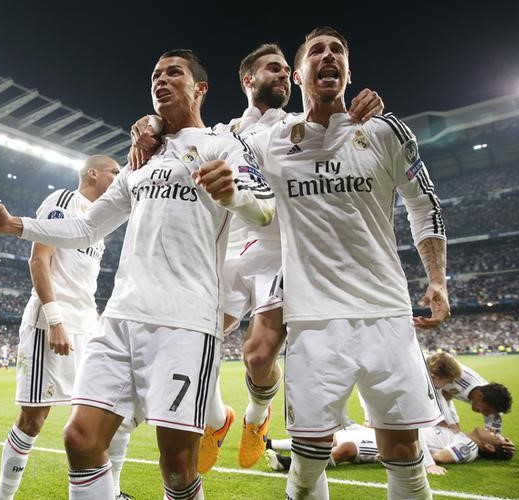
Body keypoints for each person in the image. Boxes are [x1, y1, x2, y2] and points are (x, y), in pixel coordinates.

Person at [0, 49, 275, 499]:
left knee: (177, 465)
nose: (160, 80)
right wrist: (15, 225)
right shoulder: (141, 161)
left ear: (200, 88)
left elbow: (266, 211)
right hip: (119, 320)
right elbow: (85, 225)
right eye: (155, 75)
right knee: (79, 439)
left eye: (173, 73)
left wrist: (235, 196)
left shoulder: (223, 145)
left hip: (185, 324)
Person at [128, 43, 383, 472]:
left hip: (279, 252)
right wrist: (150, 123)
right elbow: (183, 132)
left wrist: (364, 109)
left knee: (259, 356)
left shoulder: (299, 124)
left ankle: (255, 417)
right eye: (273, 69)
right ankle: (215, 419)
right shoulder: (227, 132)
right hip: (228, 250)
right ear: (248, 81)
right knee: (191, 339)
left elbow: (338, 129)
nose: (283, 75)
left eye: (287, 70)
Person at [246, 26, 450, 499]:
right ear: (298, 75)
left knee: (403, 453)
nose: (328, 56)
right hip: (315, 319)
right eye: (316, 51)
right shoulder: (273, 140)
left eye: (337, 51)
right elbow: (211, 142)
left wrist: (437, 281)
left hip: (387, 313)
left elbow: (425, 205)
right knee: (308, 458)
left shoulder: (384, 130)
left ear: (348, 71)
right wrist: (153, 127)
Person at [0, 155, 137, 500]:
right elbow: (39, 259)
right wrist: (56, 320)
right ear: (93, 173)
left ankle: (112, 492)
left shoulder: (99, 221)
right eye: (114, 172)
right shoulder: (64, 201)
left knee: (113, 408)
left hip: (88, 324)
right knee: (34, 419)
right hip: (52, 323)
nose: (118, 178)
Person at [265, 423, 515, 474]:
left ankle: (288, 465)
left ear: (490, 449)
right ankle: (269, 444)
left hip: (397, 441)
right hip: (391, 430)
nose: (493, 430)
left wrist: (422, 460)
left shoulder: (469, 446)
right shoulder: (459, 430)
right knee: (336, 436)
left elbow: (440, 456)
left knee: (347, 448)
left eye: (496, 436)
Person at [440, 362, 512, 434]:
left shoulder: (486, 396)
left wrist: (497, 438)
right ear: (480, 396)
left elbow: (494, 429)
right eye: (486, 410)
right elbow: (441, 397)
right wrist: (452, 423)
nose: (486, 415)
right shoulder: (456, 377)